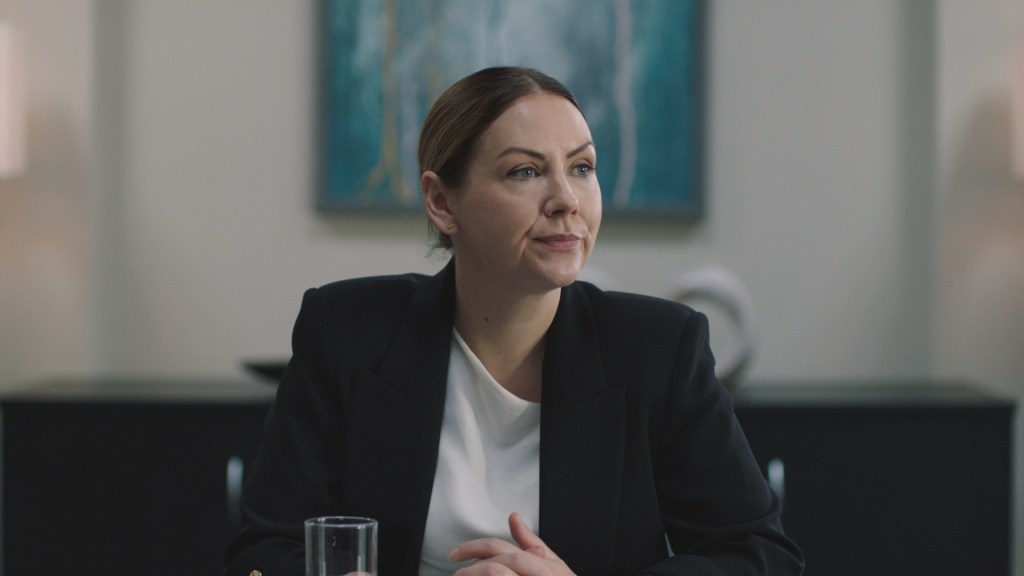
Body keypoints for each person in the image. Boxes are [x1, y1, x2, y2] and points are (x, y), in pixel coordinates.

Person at [223, 66, 804, 576]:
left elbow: (759, 555)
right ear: (442, 202)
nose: (566, 200)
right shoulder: (345, 333)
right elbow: (263, 549)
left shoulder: (659, 348)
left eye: (582, 167)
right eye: (525, 172)